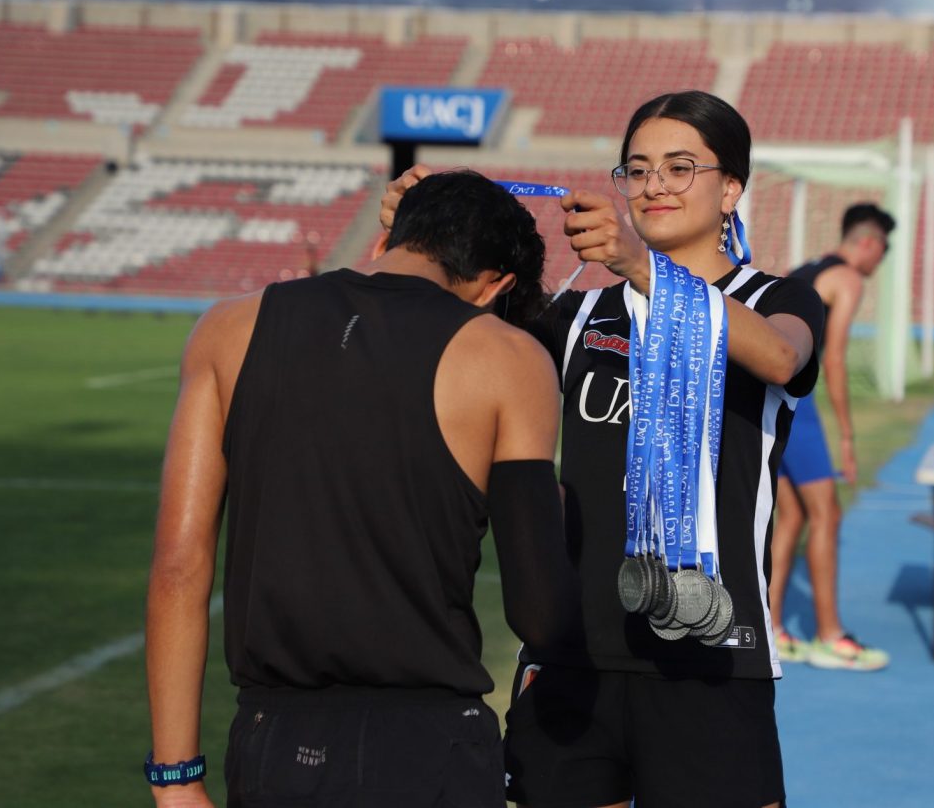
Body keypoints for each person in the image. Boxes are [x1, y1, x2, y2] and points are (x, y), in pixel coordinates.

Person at [381, 90, 824, 808]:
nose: (654, 185)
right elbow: (440, 345)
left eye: (680, 167)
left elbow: (779, 357)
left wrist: (642, 266)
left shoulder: (779, 299)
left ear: (731, 188)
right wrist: (419, 234)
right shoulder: (581, 310)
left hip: (711, 655)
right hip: (573, 652)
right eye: (637, 169)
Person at [145, 170, 581, 808]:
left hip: (274, 742)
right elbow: (540, 613)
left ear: (384, 241)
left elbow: (178, 565)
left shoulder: (226, 327)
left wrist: (175, 779)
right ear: (497, 286)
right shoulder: (509, 357)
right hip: (430, 746)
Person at [769, 203, 895, 671]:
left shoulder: (805, 269)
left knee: (791, 517)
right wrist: (846, 436)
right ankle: (830, 637)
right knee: (828, 514)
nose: (880, 261)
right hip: (796, 403)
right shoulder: (848, 278)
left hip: (766, 398)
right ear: (869, 243)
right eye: (883, 251)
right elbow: (835, 359)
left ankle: (770, 627)